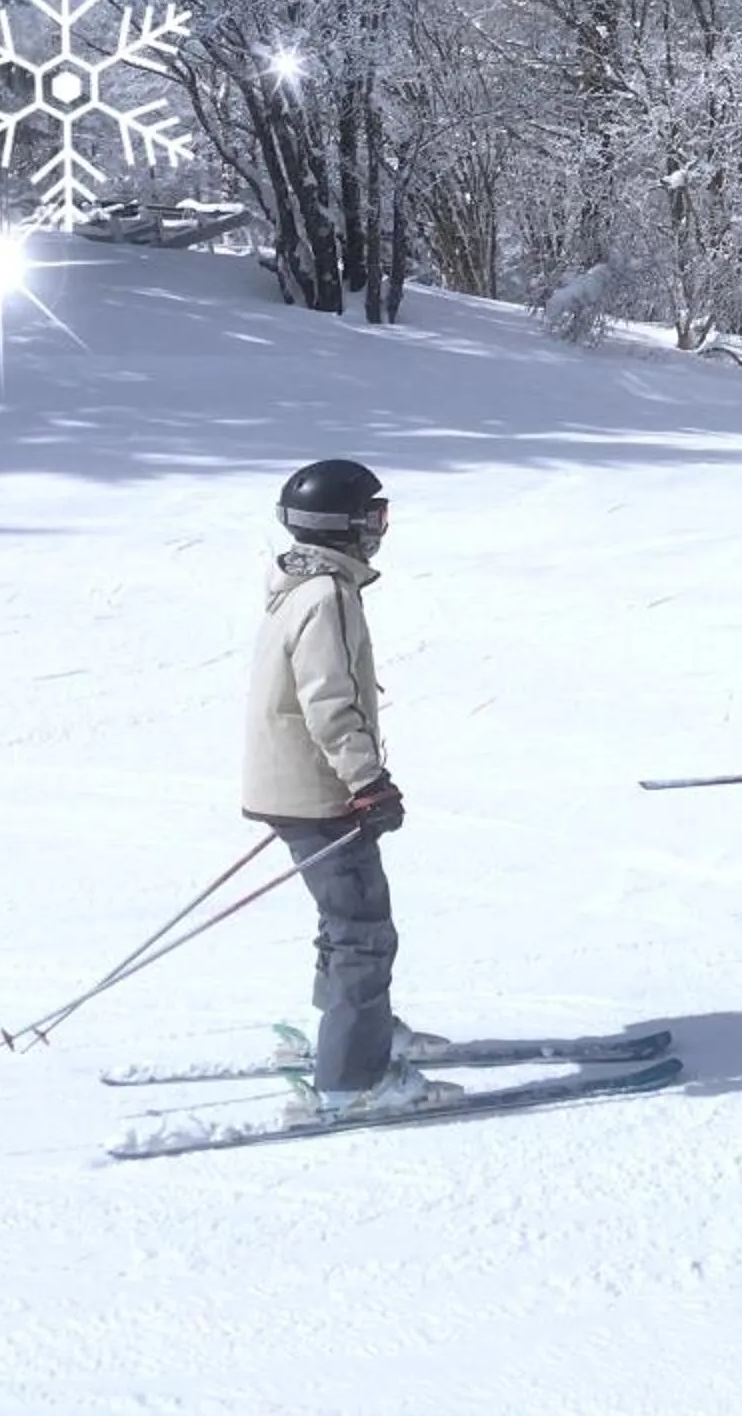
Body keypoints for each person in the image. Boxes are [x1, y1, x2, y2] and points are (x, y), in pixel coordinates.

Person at [242, 459, 449, 1120]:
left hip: (293, 782)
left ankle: (355, 1029)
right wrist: (368, 781)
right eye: (374, 517)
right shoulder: (326, 595)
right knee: (364, 928)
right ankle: (352, 1078)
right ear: (346, 526)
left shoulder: (304, 586)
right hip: (319, 788)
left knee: (345, 921)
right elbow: (328, 702)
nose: (380, 529)